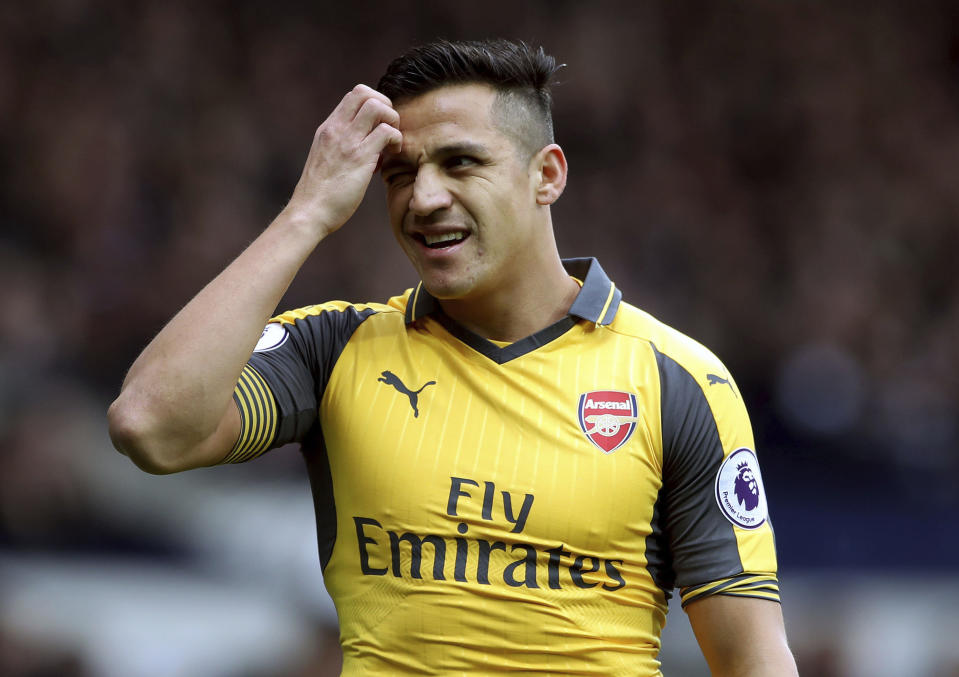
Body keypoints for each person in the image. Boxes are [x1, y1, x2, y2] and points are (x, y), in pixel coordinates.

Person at [108, 39, 798, 676]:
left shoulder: (676, 380)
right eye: (399, 173)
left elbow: (753, 659)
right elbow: (150, 426)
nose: (424, 197)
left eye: (460, 162)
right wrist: (306, 214)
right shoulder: (336, 349)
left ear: (546, 175)